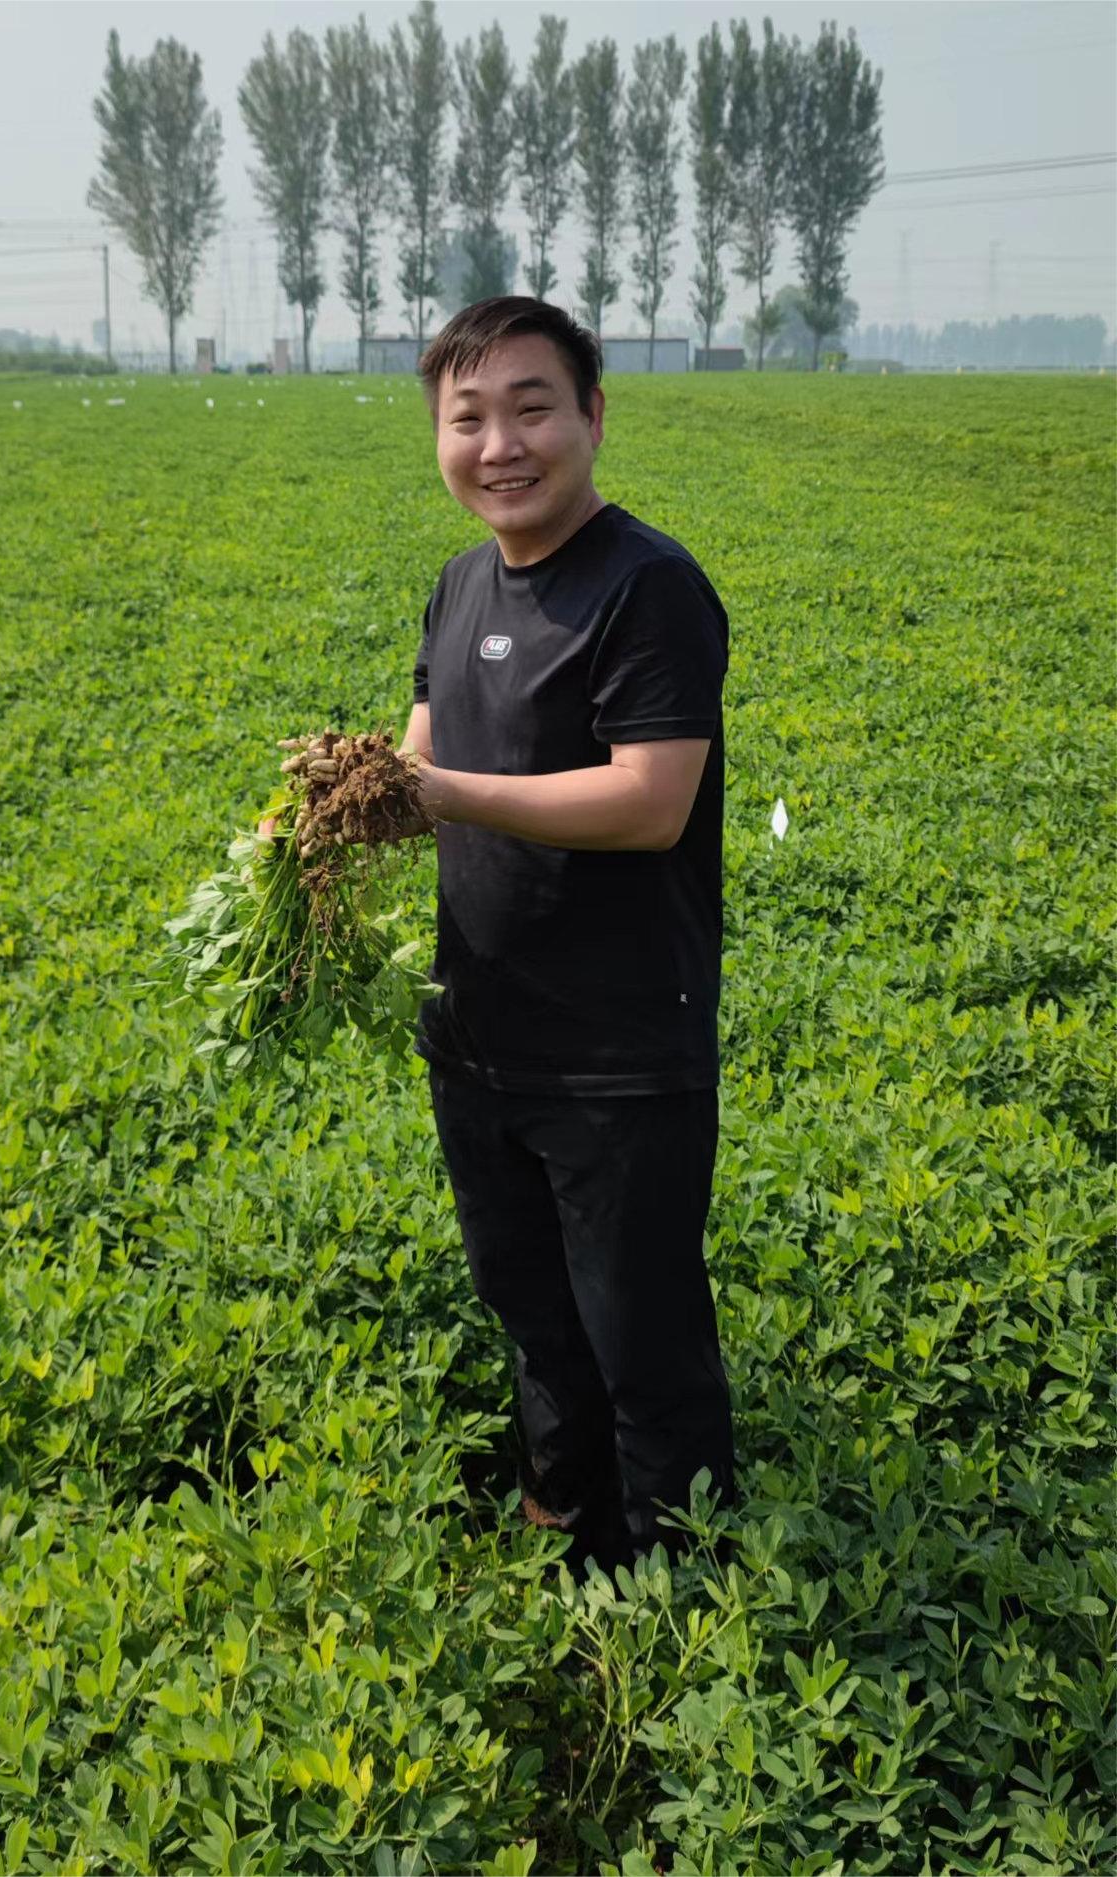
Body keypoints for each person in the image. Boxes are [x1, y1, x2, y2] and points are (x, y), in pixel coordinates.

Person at [400, 297, 735, 1582]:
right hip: (478, 1030)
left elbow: (651, 802)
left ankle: (675, 1582)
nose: (499, 445)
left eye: (530, 408)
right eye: (467, 417)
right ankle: (561, 1518)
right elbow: (422, 748)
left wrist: (444, 794)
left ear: (593, 415)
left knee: (639, 1334)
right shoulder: (458, 584)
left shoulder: (647, 586)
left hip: (617, 1050)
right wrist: (336, 806)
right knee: (531, 1308)